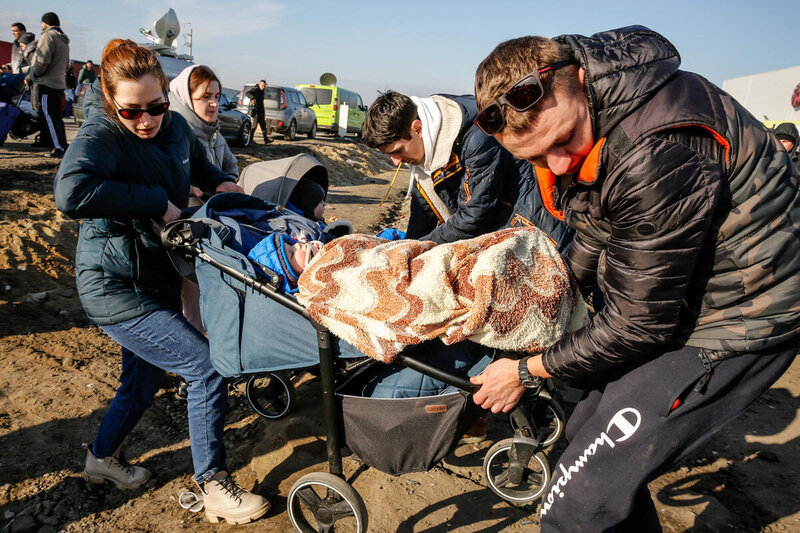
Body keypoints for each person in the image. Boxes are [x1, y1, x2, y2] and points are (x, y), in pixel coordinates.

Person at [470, 26, 800, 532]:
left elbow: (638, 324)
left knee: (578, 499)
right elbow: (596, 233)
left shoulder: (656, 148)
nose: (556, 164)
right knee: (581, 443)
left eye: (562, 141)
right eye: (533, 158)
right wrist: (547, 302)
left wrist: (527, 370)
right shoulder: (605, 106)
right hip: (684, 293)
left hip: (748, 308)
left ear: (577, 80)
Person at [53, 39, 270, 525]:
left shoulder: (172, 128)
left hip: (155, 275)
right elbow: (70, 192)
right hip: (113, 286)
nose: (147, 120)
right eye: (133, 112)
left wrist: (223, 185)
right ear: (112, 103)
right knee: (205, 366)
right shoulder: (101, 135)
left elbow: (197, 165)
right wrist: (155, 200)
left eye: (156, 107)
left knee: (144, 378)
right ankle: (213, 484)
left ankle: (101, 458)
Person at [362, 90, 571, 248]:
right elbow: (423, 208)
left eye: (397, 151)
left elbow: (474, 215)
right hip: (501, 232)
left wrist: (421, 248)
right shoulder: (428, 142)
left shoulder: (477, 135)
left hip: (535, 231)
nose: (396, 162)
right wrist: (408, 249)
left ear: (417, 128)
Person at [26, 12, 68, 158]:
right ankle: (62, 145)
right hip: (58, 83)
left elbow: (42, 61)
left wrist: (32, 75)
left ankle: (58, 147)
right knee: (56, 117)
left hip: (46, 83)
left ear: (45, 23)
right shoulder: (63, 39)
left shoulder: (48, 36)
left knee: (48, 116)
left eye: (42, 23)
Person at [245, 79, 272, 144]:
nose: (263, 87)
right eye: (262, 85)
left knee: (263, 125)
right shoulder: (256, 89)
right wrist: (252, 98)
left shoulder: (262, 90)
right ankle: (250, 138)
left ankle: (266, 139)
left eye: (264, 86)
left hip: (261, 110)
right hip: (256, 110)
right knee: (254, 126)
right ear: (259, 84)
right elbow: (247, 93)